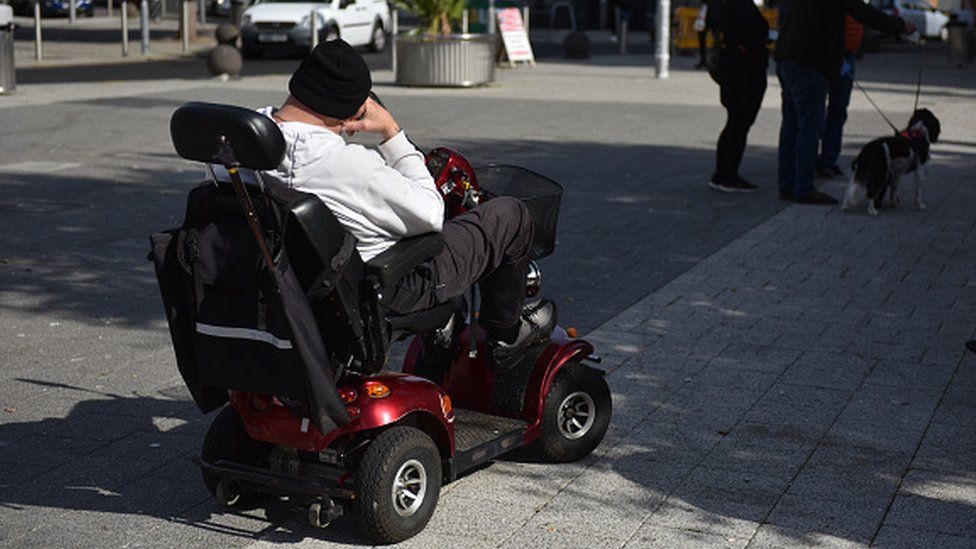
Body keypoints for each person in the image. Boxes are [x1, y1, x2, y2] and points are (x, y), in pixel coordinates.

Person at [257, 40, 555, 371]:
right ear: (352, 109)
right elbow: (432, 213)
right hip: (383, 285)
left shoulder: (248, 143)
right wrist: (391, 132)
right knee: (508, 215)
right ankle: (506, 336)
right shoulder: (347, 165)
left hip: (287, 286)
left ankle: (444, 335)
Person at [775, 0, 914, 204]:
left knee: (791, 126)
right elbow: (862, 11)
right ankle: (803, 187)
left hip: (788, 57)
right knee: (808, 128)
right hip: (809, 62)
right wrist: (900, 26)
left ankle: (787, 186)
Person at [708, 0, 769, 193]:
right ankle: (728, 175)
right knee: (739, 124)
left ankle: (723, 173)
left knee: (734, 123)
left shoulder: (723, 6)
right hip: (744, 72)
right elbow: (749, 34)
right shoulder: (739, 7)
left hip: (732, 69)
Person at [816, 15, 863, 179]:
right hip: (826, 51)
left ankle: (828, 159)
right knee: (816, 109)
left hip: (847, 51)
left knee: (838, 108)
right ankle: (814, 160)